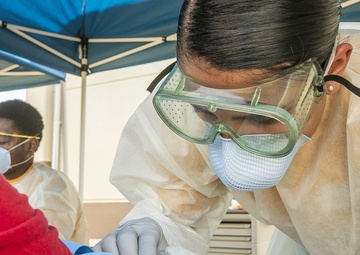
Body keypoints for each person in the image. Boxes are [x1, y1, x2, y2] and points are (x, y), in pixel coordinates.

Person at [93, 1, 360, 254]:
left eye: (259, 117)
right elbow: (174, 208)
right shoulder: (195, 93)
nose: (229, 140)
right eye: (206, 112)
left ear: (333, 68)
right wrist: (154, 226)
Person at [0, 99, 89, 245]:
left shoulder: (52, 188)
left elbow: (42, 243)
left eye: (2, 140)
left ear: (31, 145)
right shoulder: (3, 182)